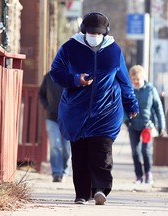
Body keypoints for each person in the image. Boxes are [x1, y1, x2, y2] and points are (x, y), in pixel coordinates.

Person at [49, 12, 139, 205]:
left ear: (104, 33)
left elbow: (124, 80)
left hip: (107, 110)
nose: (94, 35)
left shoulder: (113, 50)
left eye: (97, 33)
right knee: (80, 153)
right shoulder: (70, 47)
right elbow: (55, 72)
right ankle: (82, 193)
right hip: (76, 110)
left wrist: (131, 103)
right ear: (83, 31)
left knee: (102, 151)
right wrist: (75, 79)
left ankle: (101, 190)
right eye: (90, 32)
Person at [126, 65, 166, 184]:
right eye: (133, 80)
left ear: (143, 77)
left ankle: (148, 174)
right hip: (132, 125)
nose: (136, 82)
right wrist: (125, 119)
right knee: (135, 152)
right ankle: (139, 176)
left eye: (138, 79)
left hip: (147, 126)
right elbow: (123, 107)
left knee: (146, 150)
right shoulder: (128, 90)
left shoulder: (150, 90)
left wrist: (161, 126)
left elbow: (158, 109)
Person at [38, 72, 72, 183]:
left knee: (66, 147)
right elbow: (41, 94)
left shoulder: (72, 77)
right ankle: (57, 173)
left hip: (67, 119)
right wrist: (47, 106)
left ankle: (64, 171)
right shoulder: (49, 77)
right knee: (55, 145)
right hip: (51, 118)